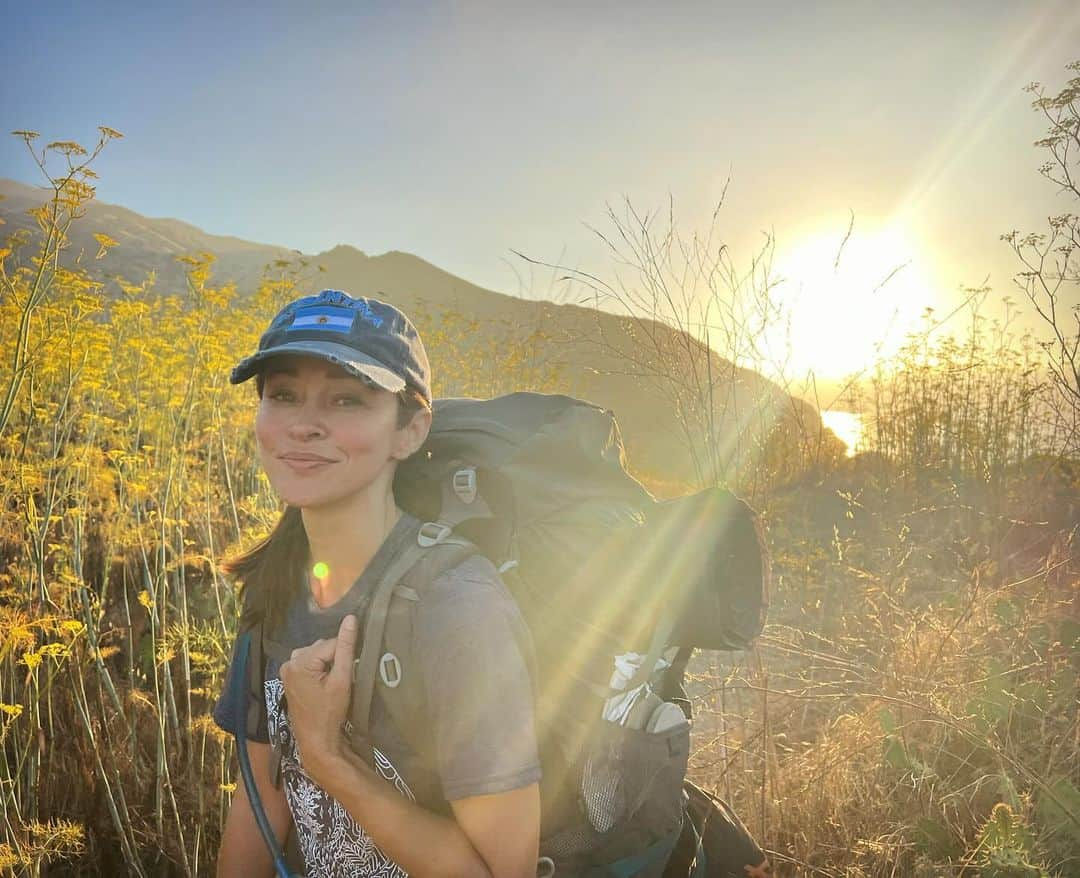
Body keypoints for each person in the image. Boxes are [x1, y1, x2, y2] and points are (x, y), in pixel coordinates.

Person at [213, 289, 542, 878]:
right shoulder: (275, 587)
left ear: (410, 431)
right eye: (283, 395)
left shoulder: (457, 605)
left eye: (347, 400)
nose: (305, 425)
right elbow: (261, 798)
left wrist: (325, 755)